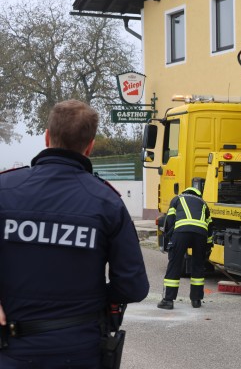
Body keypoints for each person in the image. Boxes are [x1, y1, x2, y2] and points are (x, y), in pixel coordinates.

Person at [0, 99, 149, 367]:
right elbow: (133, 286)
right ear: (90, 145)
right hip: (80, 350)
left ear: (47, 137)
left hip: (11, 348)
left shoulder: (4, 189)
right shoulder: (107, 202)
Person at [158, 186, 212, 310]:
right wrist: (208, 246)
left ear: (186, 192)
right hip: (200, 235)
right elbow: (210, 227)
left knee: (175, 264)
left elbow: (170, 219)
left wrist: (171, 237)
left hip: (181, 232)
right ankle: (196, 300)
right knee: (198, 266)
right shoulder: (204, 204)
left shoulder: (177, 199)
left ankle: (168, 300)